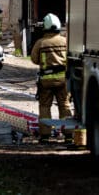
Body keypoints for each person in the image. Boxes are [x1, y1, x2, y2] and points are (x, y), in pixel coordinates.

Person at [30, 13, 70, 142]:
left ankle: (45, 136)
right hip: (63, 80)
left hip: (46, 81)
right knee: (64, 105)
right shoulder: (65, 41)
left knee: (45, 107)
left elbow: (34, 60)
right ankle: (68, 135)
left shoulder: (40, 43)